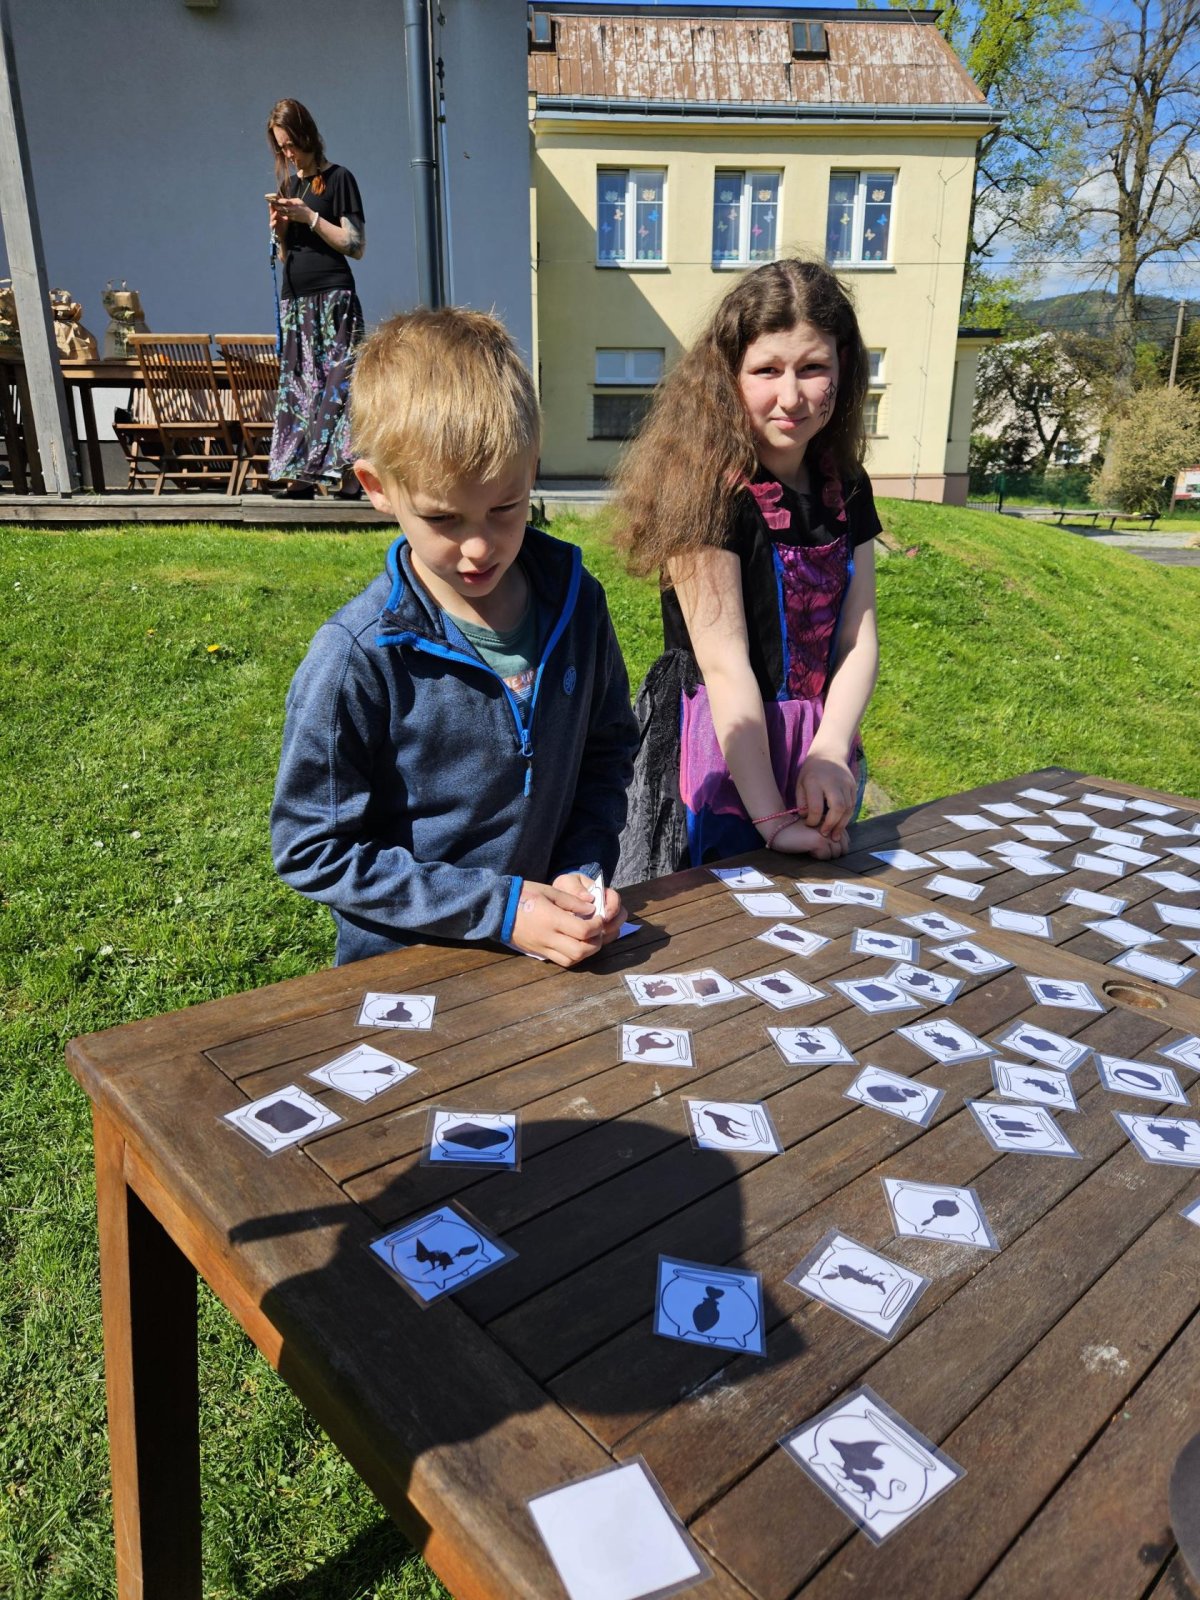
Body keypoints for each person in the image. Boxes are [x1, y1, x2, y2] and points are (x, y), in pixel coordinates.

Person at [271, 306, 638, 966]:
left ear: (532, 465)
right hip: (411, 972)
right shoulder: (359, 654)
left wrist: (579, 869)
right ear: (377, 487)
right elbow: (311, 848)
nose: (478, 546)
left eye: (505, 508)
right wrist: (499, 909)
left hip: (549, 958)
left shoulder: (578, 604)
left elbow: (607, 751)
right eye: (443, 518)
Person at [613, 257, 881, 884]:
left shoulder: (848, 485)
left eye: (812, 368)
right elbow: (726, 667)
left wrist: (830, 751)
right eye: (766, 370)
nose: (791, 396)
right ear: (729, 375)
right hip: (719, 755)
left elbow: (857, 638)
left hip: (816, 747)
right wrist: (772, 821)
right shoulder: (705, 491)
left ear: (843, 367)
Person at [266, 98, 365, 499]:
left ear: (306, 135)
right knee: (301, 387)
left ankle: (349, 476)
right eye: (281, 148)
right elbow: (286, 256)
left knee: (340, 385)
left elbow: (355, 245)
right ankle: (304, 475)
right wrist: (280, 232)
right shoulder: (289, 187)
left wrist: (309, 217)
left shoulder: (340, 179)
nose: (288, 154)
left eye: (290, 144)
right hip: (296, 301)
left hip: (334, 298)